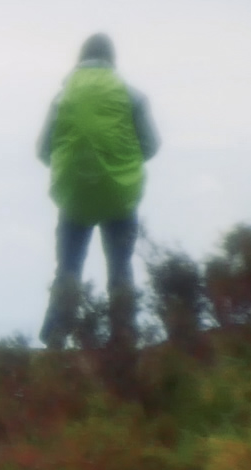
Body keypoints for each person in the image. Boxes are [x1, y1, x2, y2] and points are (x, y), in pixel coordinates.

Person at [37, 33, 160, 349]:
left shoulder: (62, 97)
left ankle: (56, 337)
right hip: (119, 197)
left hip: (74, 197)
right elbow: (151, 145)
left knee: (68, 268)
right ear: (112, 59)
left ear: (80, 58)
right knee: (120, 267)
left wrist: (72, 168)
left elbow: (42, 150)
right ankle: (123, 338)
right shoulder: (132, 96)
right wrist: (121, 163)